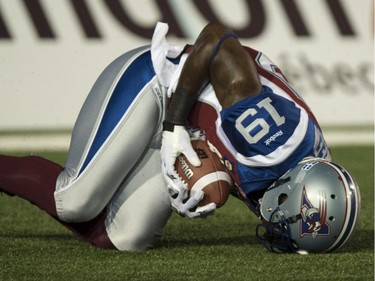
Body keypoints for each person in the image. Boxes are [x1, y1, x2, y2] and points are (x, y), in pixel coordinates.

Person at [0, 22, 360, 253]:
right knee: (76, 201)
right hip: (158, 86)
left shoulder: (304, 170)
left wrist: (199, 173)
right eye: (288, 222)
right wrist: (174, 130)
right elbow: (217, 38)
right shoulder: (274, 144)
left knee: (125, 238)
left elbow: (226, 152)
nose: (279, 227)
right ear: (293, 190)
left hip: (188, 127)